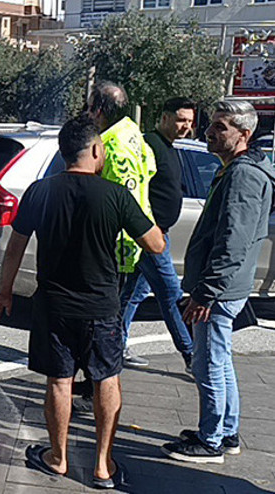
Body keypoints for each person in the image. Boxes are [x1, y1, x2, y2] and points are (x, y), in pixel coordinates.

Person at [0, 116, 165, 489]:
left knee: (59, 382)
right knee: (106, 380)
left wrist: (4, 291)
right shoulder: (115, 195)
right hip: (102, 309)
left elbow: (15, 246)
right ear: (97, 151)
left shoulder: (39, 191)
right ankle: (103, 466)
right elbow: (156, 244)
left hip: (54, 307)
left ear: (64, 153)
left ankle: (58, 458)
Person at [162, 101, 275, 464]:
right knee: (220, 360)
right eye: (211, 125)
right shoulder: (241, 169)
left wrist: (206, 292)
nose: (209, 132)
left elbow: (233, 240)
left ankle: (211, 440)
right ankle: (226, 431)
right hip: (226, 286)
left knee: (207, 363)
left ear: (245, 134)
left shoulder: (243, 174)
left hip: (220, 289)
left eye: (221, 127)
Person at [75, 81, 157, 413]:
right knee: (108, 320)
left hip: (115, 247)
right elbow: (150, 170)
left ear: (99, 110)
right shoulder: (134, 134)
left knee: (103, 324)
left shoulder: (110, 144)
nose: (88, 113)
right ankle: (94, 382)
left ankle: (96, 390)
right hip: (127, 244)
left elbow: (115, 201)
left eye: (91, 106)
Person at [119, 98, 196, 371]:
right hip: (149, 237)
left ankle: (115, 345)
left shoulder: (171, 148)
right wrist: (147, 230)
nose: (186, 126)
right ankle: (193, 357)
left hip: (160, 234)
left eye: (189, 121)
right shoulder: (148, 144)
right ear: (164, 118)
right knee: (172, 295)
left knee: (132, 294)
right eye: (180, 119)